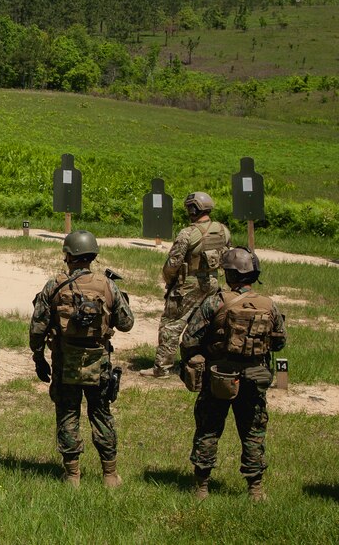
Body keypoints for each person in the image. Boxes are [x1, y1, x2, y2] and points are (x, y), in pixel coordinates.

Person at [29, 230, 133, 487]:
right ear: (92, 255)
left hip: (65, 360)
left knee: (67, 415)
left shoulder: (54, 285)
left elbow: (37, 327)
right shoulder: (108, 285)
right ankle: (110, 475)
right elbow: (127, 323)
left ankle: (72, 475)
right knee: (101, 414)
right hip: (99, 361)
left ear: (68, 255)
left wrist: (38, 356)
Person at [180, 247, 285, 502]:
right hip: (255, 377)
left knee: (208, 429)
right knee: (253, 431)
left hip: (219, 376)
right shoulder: (269, 305)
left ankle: (202, 487)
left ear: (229, 274)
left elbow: (190, 338)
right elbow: (279, 343)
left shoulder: (216, 302)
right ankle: (256, 490)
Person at [145, 192, 231, 378]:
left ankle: (162, 368)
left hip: (189, 284)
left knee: (171, 324)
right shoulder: (223, 231)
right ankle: (204, 362)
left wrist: (170, 282)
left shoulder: (188, 233)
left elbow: (173, 264)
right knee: (206, 324)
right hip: (214, 283)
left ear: (193, 209)